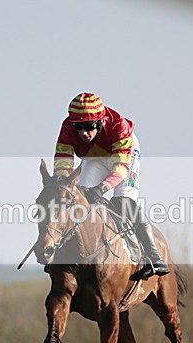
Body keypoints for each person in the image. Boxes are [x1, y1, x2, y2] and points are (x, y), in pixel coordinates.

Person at [52, 92, 170, 277]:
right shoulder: (67, 127)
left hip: (123, 156)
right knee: (78, 198)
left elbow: (121, 167)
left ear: (100, 121)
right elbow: (63, 159)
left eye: (89, 126)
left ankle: (154, 257)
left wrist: (102, 188)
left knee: (124, 202)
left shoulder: (118, 126)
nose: (83, 132)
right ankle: (66, 253)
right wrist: (62, 181)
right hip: (96, 157)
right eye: (79, 127)